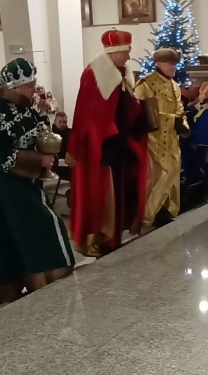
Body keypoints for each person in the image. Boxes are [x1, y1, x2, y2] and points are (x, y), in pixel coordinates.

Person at [66, 29, 148, 257]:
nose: (129, 57)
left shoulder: (122, 73)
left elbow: (127, 107)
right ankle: (97, 238)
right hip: (100, 147)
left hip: (120, 143)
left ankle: (114, 237)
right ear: (114, 52)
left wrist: (138, 121)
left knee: (122, 190)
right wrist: (108, 140)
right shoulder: (94, 74)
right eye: (126, 52)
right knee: (101, 193)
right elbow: (88, 116)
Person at [0, 58, 74, 302]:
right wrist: (37, 161)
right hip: (8, 186)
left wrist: (43, 122)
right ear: (16, 86)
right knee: (41, 224)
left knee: (21, 232)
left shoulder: (26, 107)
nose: (34, 88)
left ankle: (35, 279)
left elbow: (40, 135)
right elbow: (3, 155)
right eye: (30, 85)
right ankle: (39, 276)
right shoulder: (1, 111)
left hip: (27, 182)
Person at [135, 48, 190, 227]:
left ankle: (166, 209)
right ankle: (149, 213)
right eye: (169, 63)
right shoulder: (146, 84)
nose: (173, 67)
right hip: (153, 141)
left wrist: (182, 123)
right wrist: (172, 119)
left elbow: (180, 110)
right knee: (156, 177)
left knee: (172, 173)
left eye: (175, 64)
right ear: (158, 63)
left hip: (171, 140)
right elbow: (141, 112)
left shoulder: (174, 85)